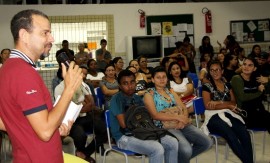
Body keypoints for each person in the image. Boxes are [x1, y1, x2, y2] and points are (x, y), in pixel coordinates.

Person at [0, 9, 83, 162]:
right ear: (24, 35)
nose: (51, 38)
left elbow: (13, 123)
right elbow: (44, 131)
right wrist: (69, 89)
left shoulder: (8, 68)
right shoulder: (22, 73)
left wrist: (54, 129)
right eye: (45, 33)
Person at [144, 66, 212, 163]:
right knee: (186, 149)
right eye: (158, 77)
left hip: (181, 123)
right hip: (164, 126)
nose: (162, 79)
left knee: (207, 142)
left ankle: (178, 160)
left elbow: (183, 107)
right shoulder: (149, 94)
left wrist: (183, 119)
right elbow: (155, 115)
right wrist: (178, 117)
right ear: (153, 80)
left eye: (164, 77)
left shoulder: (170, 91)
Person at [110, 69, 178, 163]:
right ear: (120, 86)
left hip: (142, 131)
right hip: (124, 137)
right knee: (157, 148)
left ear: (136, 82)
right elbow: (123, 125)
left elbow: (147, 117)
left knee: (172, 142)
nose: (130, 86)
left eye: (132, 82)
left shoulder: (137, 98)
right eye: (125, 83)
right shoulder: (116, 99)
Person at [201, 60, 253, 163]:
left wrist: (218, 103)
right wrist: (227, 105)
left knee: (244, 133)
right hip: (213, 118)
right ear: (209, 72)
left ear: (222, 71)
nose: (215, 72)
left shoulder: (227, 85)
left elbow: (234, 103)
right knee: (231, 135)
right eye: (212, 70)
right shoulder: (207, 86)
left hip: (229, 114)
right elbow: (208, 106)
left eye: (217, 70)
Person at [55, 65, 107, 162]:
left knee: (104, 128)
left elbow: (91, 102)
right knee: (80, 135)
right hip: (70, 120)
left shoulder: (81, 85)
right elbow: (63, 109)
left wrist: (81, 106)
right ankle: (81, 154)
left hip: (83, 117)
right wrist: (82, 107)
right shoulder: (59, 88)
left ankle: (84, 154)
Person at [231, 57, 270, 133]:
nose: (246, 67)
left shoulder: (256, 79)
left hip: (258, 112)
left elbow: (264, 93)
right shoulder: (237, 78)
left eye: (250, 65)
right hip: (244, 115)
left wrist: (267, 82)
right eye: (244, 64)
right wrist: (259, 92)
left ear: (254, 68)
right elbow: (242, 97)